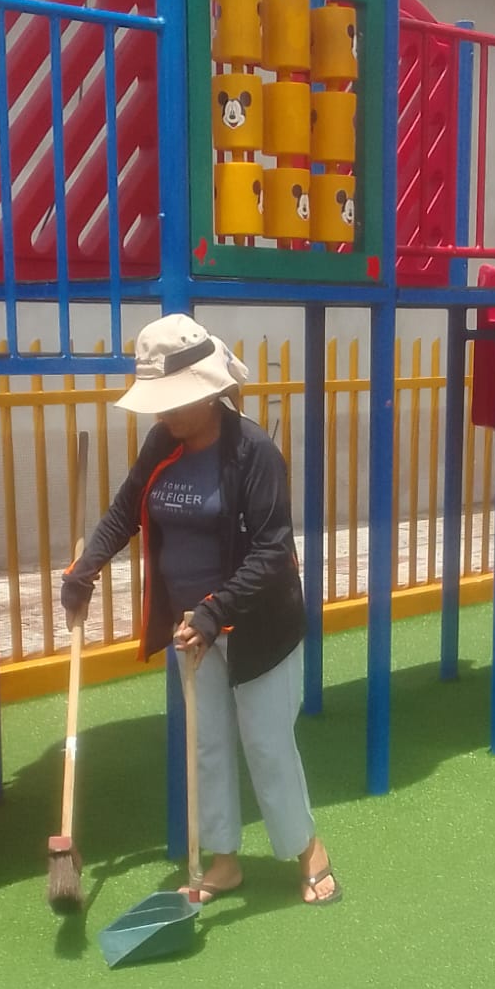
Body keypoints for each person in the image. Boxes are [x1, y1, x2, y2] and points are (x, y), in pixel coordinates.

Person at [60, 313, 341, 906]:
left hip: (258, 626)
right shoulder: (163, 443)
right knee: (206, 743)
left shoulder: (254, 452)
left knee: (266, 743)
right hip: (191, 629)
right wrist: (86, 567)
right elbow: (126, 510)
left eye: (172, 401)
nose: (161, 414)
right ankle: (224, 860)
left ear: (209, 393)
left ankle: (308, 849)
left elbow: (272, 552)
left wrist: (215, 612)